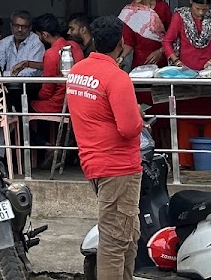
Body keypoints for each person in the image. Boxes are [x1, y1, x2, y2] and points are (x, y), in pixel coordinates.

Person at [67, 16, 144, 280]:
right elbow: (129, 127)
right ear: (121, 43)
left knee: (128, 235)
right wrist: (140, 118)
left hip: (95, 164)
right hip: (119, 168)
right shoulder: (117, 77)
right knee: (114, 242)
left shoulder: (77, 72)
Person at [162, 0, 211, 167]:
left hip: (209, 78)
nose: (200, 13)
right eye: (197, 8)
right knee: (185, 120)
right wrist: (176, 62)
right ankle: (185, 165)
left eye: (204, 9)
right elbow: (167, 41)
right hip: (186, 78)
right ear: (191, 1)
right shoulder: (180, 17)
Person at [33, 14, 83, 114]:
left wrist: (36, 95)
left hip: (58, 104)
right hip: (77, 100)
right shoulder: (75, 46)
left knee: (29, 104)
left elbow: (47, 91)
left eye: (38, 35)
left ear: (44, 35)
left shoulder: (51, 54)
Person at [119, 0, 172, 68]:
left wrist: (160, 51)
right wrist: (121, 57)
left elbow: (172, 35)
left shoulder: (162, 8)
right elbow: (129, 43)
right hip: (139, 65)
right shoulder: (129, 13)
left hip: (162, 63)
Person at [0, 10, 45, 78]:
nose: (19, 29)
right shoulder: (5, 42)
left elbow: (32, 72)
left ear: (30, 27)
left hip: (30, 86)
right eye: (16, 25)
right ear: (11, 25)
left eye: (24, 26)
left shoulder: (36, 42)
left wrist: (6, 74)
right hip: (7, 84)